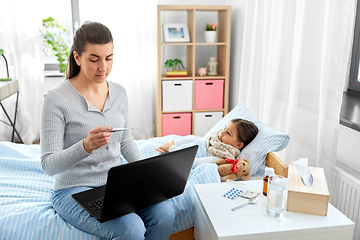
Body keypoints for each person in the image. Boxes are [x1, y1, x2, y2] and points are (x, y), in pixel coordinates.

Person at [40, 21, 175, 240]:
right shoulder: (56, 99)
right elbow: (48, 165)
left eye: (109, 58)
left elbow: (126, 142)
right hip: (72, 190)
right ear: (77, 58)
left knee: (165, 212)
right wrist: (85, 146)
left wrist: (145, 172)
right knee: (131, 229)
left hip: (115, 185)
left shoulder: (119, 93)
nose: (103, 67)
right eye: (94, 59)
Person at [155, 118, 258, 169]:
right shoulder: (214, 139)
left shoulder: (221, 157)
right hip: (174, 148)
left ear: (238, 145)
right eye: (224, 128)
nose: (221, 133)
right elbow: (194, 138)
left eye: (228, 133)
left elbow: (192, 162)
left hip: (177, 155)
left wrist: (172, 148)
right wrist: (173, 143)